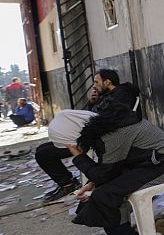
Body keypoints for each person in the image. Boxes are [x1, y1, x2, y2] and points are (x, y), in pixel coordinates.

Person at [48, 103, 164, 235]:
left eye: (68, 146)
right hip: (149, 162)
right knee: (104, 189)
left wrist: (78, 156)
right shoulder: (105, 127)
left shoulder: (113, 134)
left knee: (105, 194)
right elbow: (109, 166)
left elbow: (105, 174)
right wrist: (91, 183)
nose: (71, 149)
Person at [37, 69, 139, 202]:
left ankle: (67, 184)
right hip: (90, 134)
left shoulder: (121, 95)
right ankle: (67, 182)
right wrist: (92, 103)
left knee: (43, 154)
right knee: (42, 149)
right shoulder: (108, 95)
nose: (94, 86)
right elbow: (93, 118)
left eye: (97, 82)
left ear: (107, 82)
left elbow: (107, 121)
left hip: (96, 138)